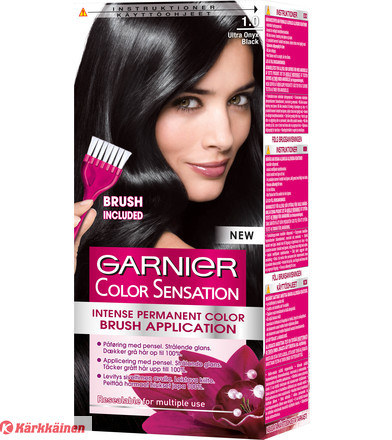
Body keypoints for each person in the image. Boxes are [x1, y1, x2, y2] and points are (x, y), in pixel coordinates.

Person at [74, 2, 264, 426]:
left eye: (238, 99)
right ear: (125, 103)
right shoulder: (170, 269)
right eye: (188, 101)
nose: (224, 137)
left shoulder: (236, 236)